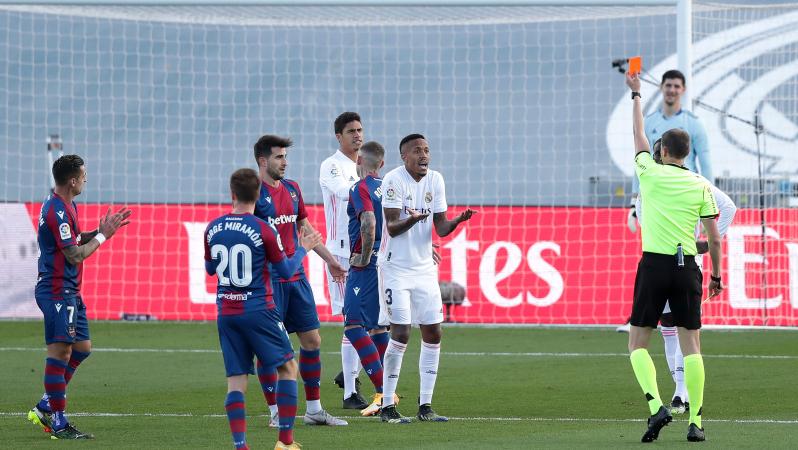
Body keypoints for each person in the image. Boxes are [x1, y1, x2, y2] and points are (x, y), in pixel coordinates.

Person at [626, 72, 722, 443]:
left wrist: (636, 94)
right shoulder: (701, 184)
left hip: (654, 266)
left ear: (662, 151)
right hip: (688, 269)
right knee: (692, 346)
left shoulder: (648, 173)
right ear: (686, 153)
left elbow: (637, 136)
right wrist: (716, 276)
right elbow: (713, 238)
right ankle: (696, 421)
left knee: (637, 344)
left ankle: (656, 407)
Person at [206, 168, 320, 450]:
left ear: (232, 194)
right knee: (288, 367)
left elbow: (211, 270)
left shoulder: (213, 228)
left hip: (226, 313)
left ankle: (241, 446)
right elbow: (286, 269)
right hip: (259, 309)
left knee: (235, 381)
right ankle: (285, 441)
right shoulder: (264, 229)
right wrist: (303, 248)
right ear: (258, 195)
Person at [27, 154, 132, 439]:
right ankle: (57, 421)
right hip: (56, 291)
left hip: (70, 291)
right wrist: (104, 237)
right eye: (83, 175)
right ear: (72, 180)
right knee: (60, 352)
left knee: (82, 348)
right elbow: (74, 255)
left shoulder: (66, 205)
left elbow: (73, 240)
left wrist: (98, 231)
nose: (86, 179)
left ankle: (47, 403)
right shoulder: (57, 211)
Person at [378, 134, 475, 424]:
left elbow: (441, 227)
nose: (424, 155)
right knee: (402, 333)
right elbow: (393, 227)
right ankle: (387, 406)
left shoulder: (436, 180)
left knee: (433, 332)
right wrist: (414, 218)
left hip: (423, 270)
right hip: (395, 269)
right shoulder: (393, 181)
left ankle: (425, 407)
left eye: (427, 150)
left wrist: (457, 221)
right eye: (417, 151)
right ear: (404, 156)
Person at [635, 138, 737, 415]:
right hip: (682, 262)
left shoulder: (677, 181)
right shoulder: (668, 183)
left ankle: (680, 394)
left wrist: (704, 242)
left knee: (676, 331)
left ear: (663, 154)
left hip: (668, 261)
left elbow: (728, 207)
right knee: (674, 329)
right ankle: (682, 396)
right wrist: (707, 243)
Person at [252, 135, 348, 427]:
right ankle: (275, 412)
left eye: (285, 156)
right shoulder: (253, 194)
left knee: (312, 339)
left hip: (297, 277)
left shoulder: (292, 189)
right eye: (279, 157)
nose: (285, 162)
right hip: (268, 282)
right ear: (263, 161)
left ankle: (315, 409)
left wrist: (330, 260)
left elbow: (305, 228)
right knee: (270, 348)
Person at [619, 69, 714, 332]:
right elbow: (639, 164)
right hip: (653, 197)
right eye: (668, 85)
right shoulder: (651, 121)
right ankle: (650, 313)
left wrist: (708, 200)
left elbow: (705, 162)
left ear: (682, 90)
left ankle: (678, 313)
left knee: (678, 256)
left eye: (676, 86)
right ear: (661, 88)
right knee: (653, 251)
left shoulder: (694, 124)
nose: (672, 90)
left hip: (686, 199)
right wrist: (633, 203)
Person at [340, 141, 396, 417]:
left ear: (359, 160)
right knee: (376, 329)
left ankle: (383, 392)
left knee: (352, 324)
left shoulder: (359, 188)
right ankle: (389, 390)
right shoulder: (388, 186)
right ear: (382, 164)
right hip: (387, 263)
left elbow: (369, 223)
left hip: (367, 265)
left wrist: (363, 256)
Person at [319, 112, 369, 409]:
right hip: (341, 254)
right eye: (351, 131)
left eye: (360, 130)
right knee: (354, 321)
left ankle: (349, 372)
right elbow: (344, 193)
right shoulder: (332, 165)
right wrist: (372, 184)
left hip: (366, 253)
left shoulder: (364, 167)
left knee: (382, 320)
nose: (357, 135)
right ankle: (350, 392)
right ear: (339, 136)